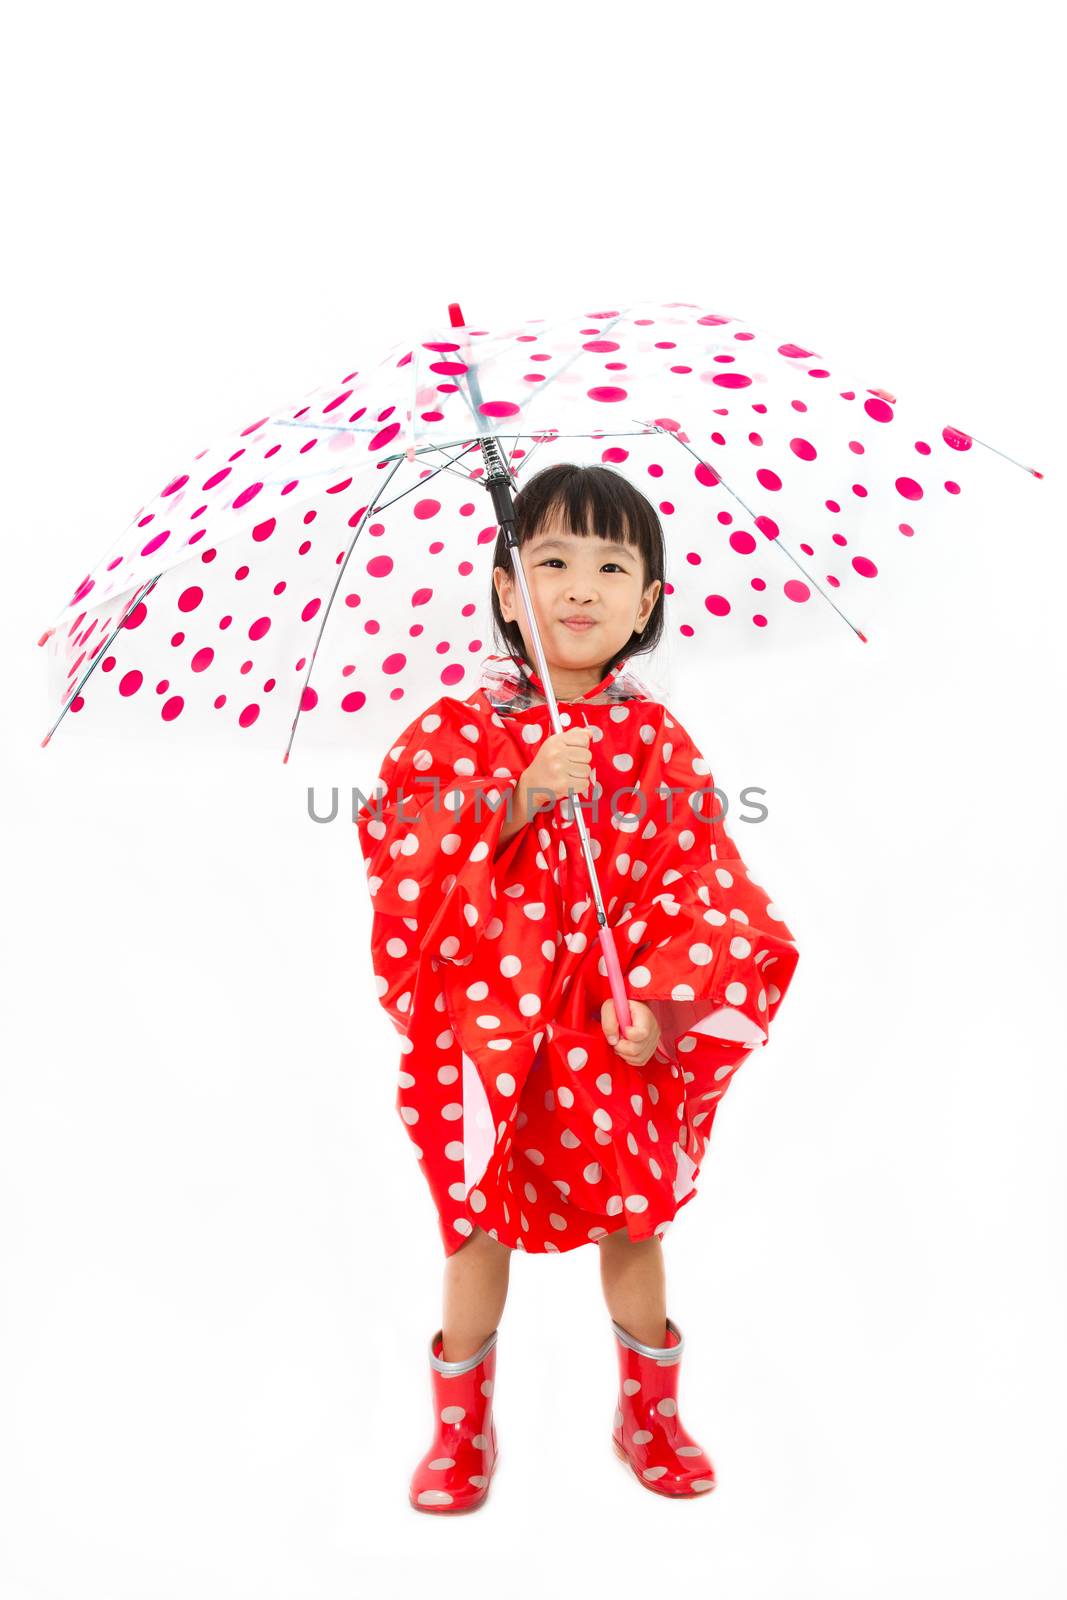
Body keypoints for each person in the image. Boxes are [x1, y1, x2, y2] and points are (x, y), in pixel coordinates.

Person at [356, 463, 801, 1511]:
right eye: (548, 560)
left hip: (611, 1026)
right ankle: (459, 1429)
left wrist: (662, 1000)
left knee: (634, 1221)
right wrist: (516, 795)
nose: (578, 585)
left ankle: (647, 1412)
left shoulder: (654, 741)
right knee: (473, 1225)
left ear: (647, 601)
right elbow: (399, 856)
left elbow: (703, 881)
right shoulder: (458, 729)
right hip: (489, 1034)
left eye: (611, 565)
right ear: (507, 587)